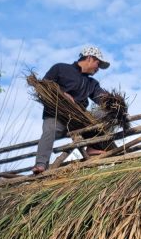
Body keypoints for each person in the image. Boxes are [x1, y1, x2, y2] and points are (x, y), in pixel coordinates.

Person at [31, 45, 113, 174]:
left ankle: (92, 146)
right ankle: (41, 165)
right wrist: (62, 93)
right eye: (98, 64)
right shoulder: (60, 68)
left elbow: (101, 98)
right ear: (89, 58)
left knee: (106, 112)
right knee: (49, 131)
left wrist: (113, 103)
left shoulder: (92, 83)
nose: (98, 68)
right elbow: (44, 86)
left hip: (78, 121)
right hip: (56, 116)